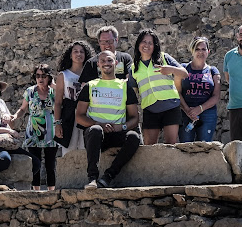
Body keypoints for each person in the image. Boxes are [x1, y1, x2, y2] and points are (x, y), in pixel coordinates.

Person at [75, 50, 141, 189]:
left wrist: (121, 127)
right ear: (98, 64)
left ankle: (108, 176)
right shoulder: (90, 86)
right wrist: (99, 124)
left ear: (116, 63)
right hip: (96, 135)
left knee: (134, 137)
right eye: (103, 61)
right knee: (95, 130)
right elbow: (79, 116)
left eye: (110, 60)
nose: (106, 63)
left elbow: (135, 117)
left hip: (117, 133)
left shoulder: (125, 87)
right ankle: (92, 178)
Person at [129, 29, 188, 145]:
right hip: (150, 109)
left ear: (155, 46)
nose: (146, 45)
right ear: (138, 44)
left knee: (171, 144)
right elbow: (132, 92)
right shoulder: (133, 67)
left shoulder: (164, 58)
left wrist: (170, 69)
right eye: (143, 42)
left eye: (150, 43)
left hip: (170, 106)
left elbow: (184, 73)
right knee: (149, 146)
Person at [13, 64, 57, 190]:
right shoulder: (30, 91)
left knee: (50, 164)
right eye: (38, 75)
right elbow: (22, 109)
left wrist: (53, 85)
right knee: (35, 162)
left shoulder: (54, 91)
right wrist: (15, 116)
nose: (40, 78)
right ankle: (35, 192)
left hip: (50, 131)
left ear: (49, 77)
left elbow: (64, 97)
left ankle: (51, 192)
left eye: (44, 75)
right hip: (34, 131)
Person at [54, 41, 94, 153]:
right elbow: (58, 102)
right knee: (68, 150)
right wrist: (57, 124)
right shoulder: (64, 75)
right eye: (75, 51)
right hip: (69, 115)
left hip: (87, 114)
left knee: (86, 149)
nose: (79, 54)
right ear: (70, 55)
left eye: (82, 51)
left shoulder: (92, 75)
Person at [178, 37, 221, 142]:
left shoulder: (213, 71)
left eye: (203, 49)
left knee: (204, 147)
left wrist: (200, 108)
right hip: (185, 113)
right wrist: (188, 110)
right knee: (185, 147)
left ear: (208, 51)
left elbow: (216, 96)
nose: (200, 52)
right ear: (192, 50)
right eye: (197, 49)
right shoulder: (183, 68)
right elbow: (177, 92)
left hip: (207, 113)